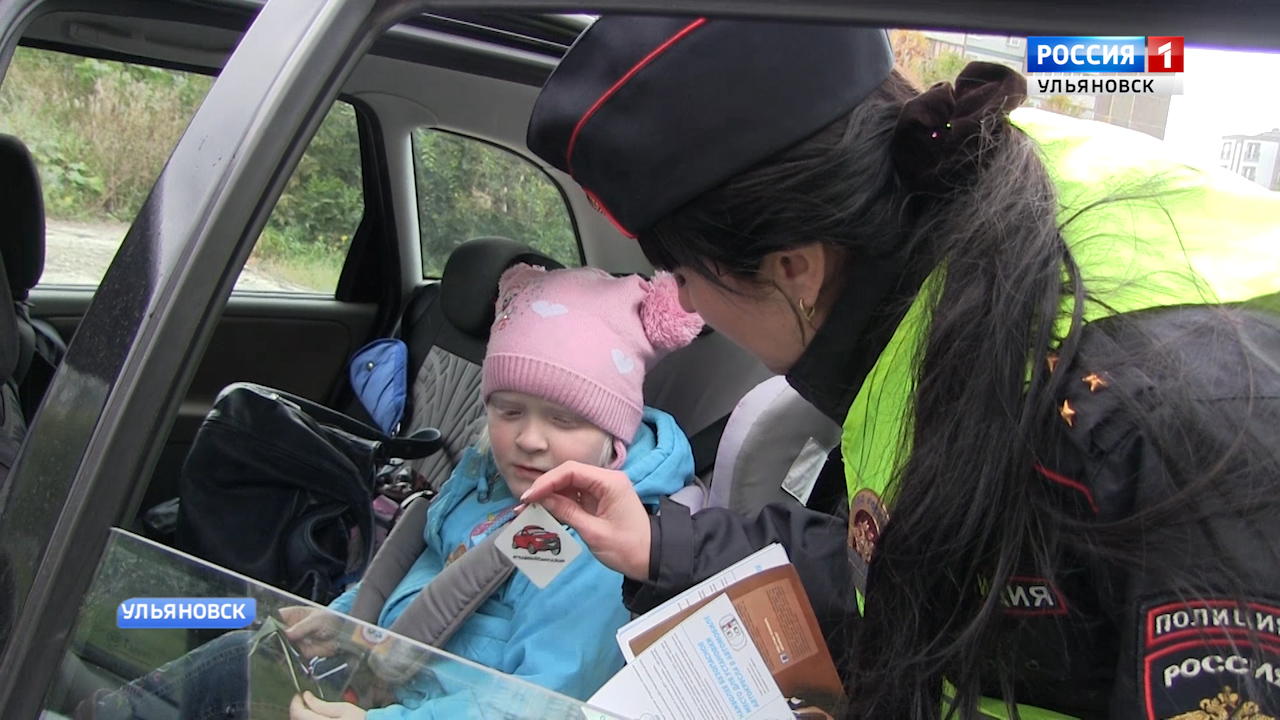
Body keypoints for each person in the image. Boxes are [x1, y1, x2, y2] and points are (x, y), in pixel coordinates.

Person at [519, 15, 1280, 720]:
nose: (687, 303)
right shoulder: (946, 286)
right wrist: (662, 544)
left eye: (685, 276)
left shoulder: (1164, 420)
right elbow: (900, 562)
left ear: (794, 270)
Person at [78, 265, 704, 720]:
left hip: (405, 707)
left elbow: (539, 705)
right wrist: (346, 621)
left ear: (614, 436)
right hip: (371, 678)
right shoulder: (485, 482)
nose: (529, 440)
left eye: (563, 421)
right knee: (238, 647)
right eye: (507, 411)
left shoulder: (587, 544)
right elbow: (421, 574)